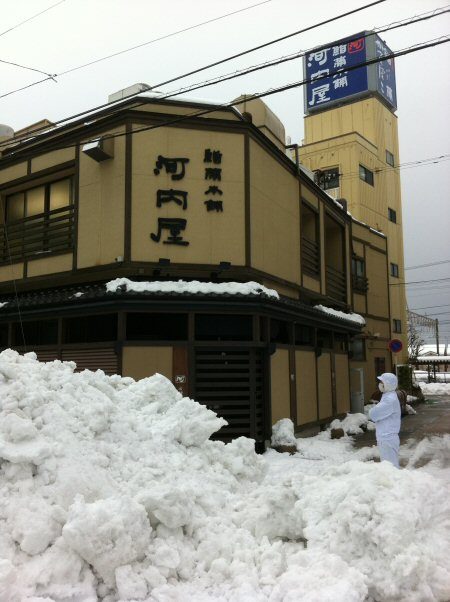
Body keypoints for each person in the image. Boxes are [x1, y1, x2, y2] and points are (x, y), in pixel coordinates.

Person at [369, 373, 401, 468]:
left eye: (382, 382)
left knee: (390, 467)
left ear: (388, 384)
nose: (380, 384)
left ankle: (396, 482)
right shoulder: (388, 396)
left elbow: (373, 414)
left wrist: (373, 410)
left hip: (387, 438)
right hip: (386, 437)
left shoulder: (389, 400)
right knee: (389, 466)